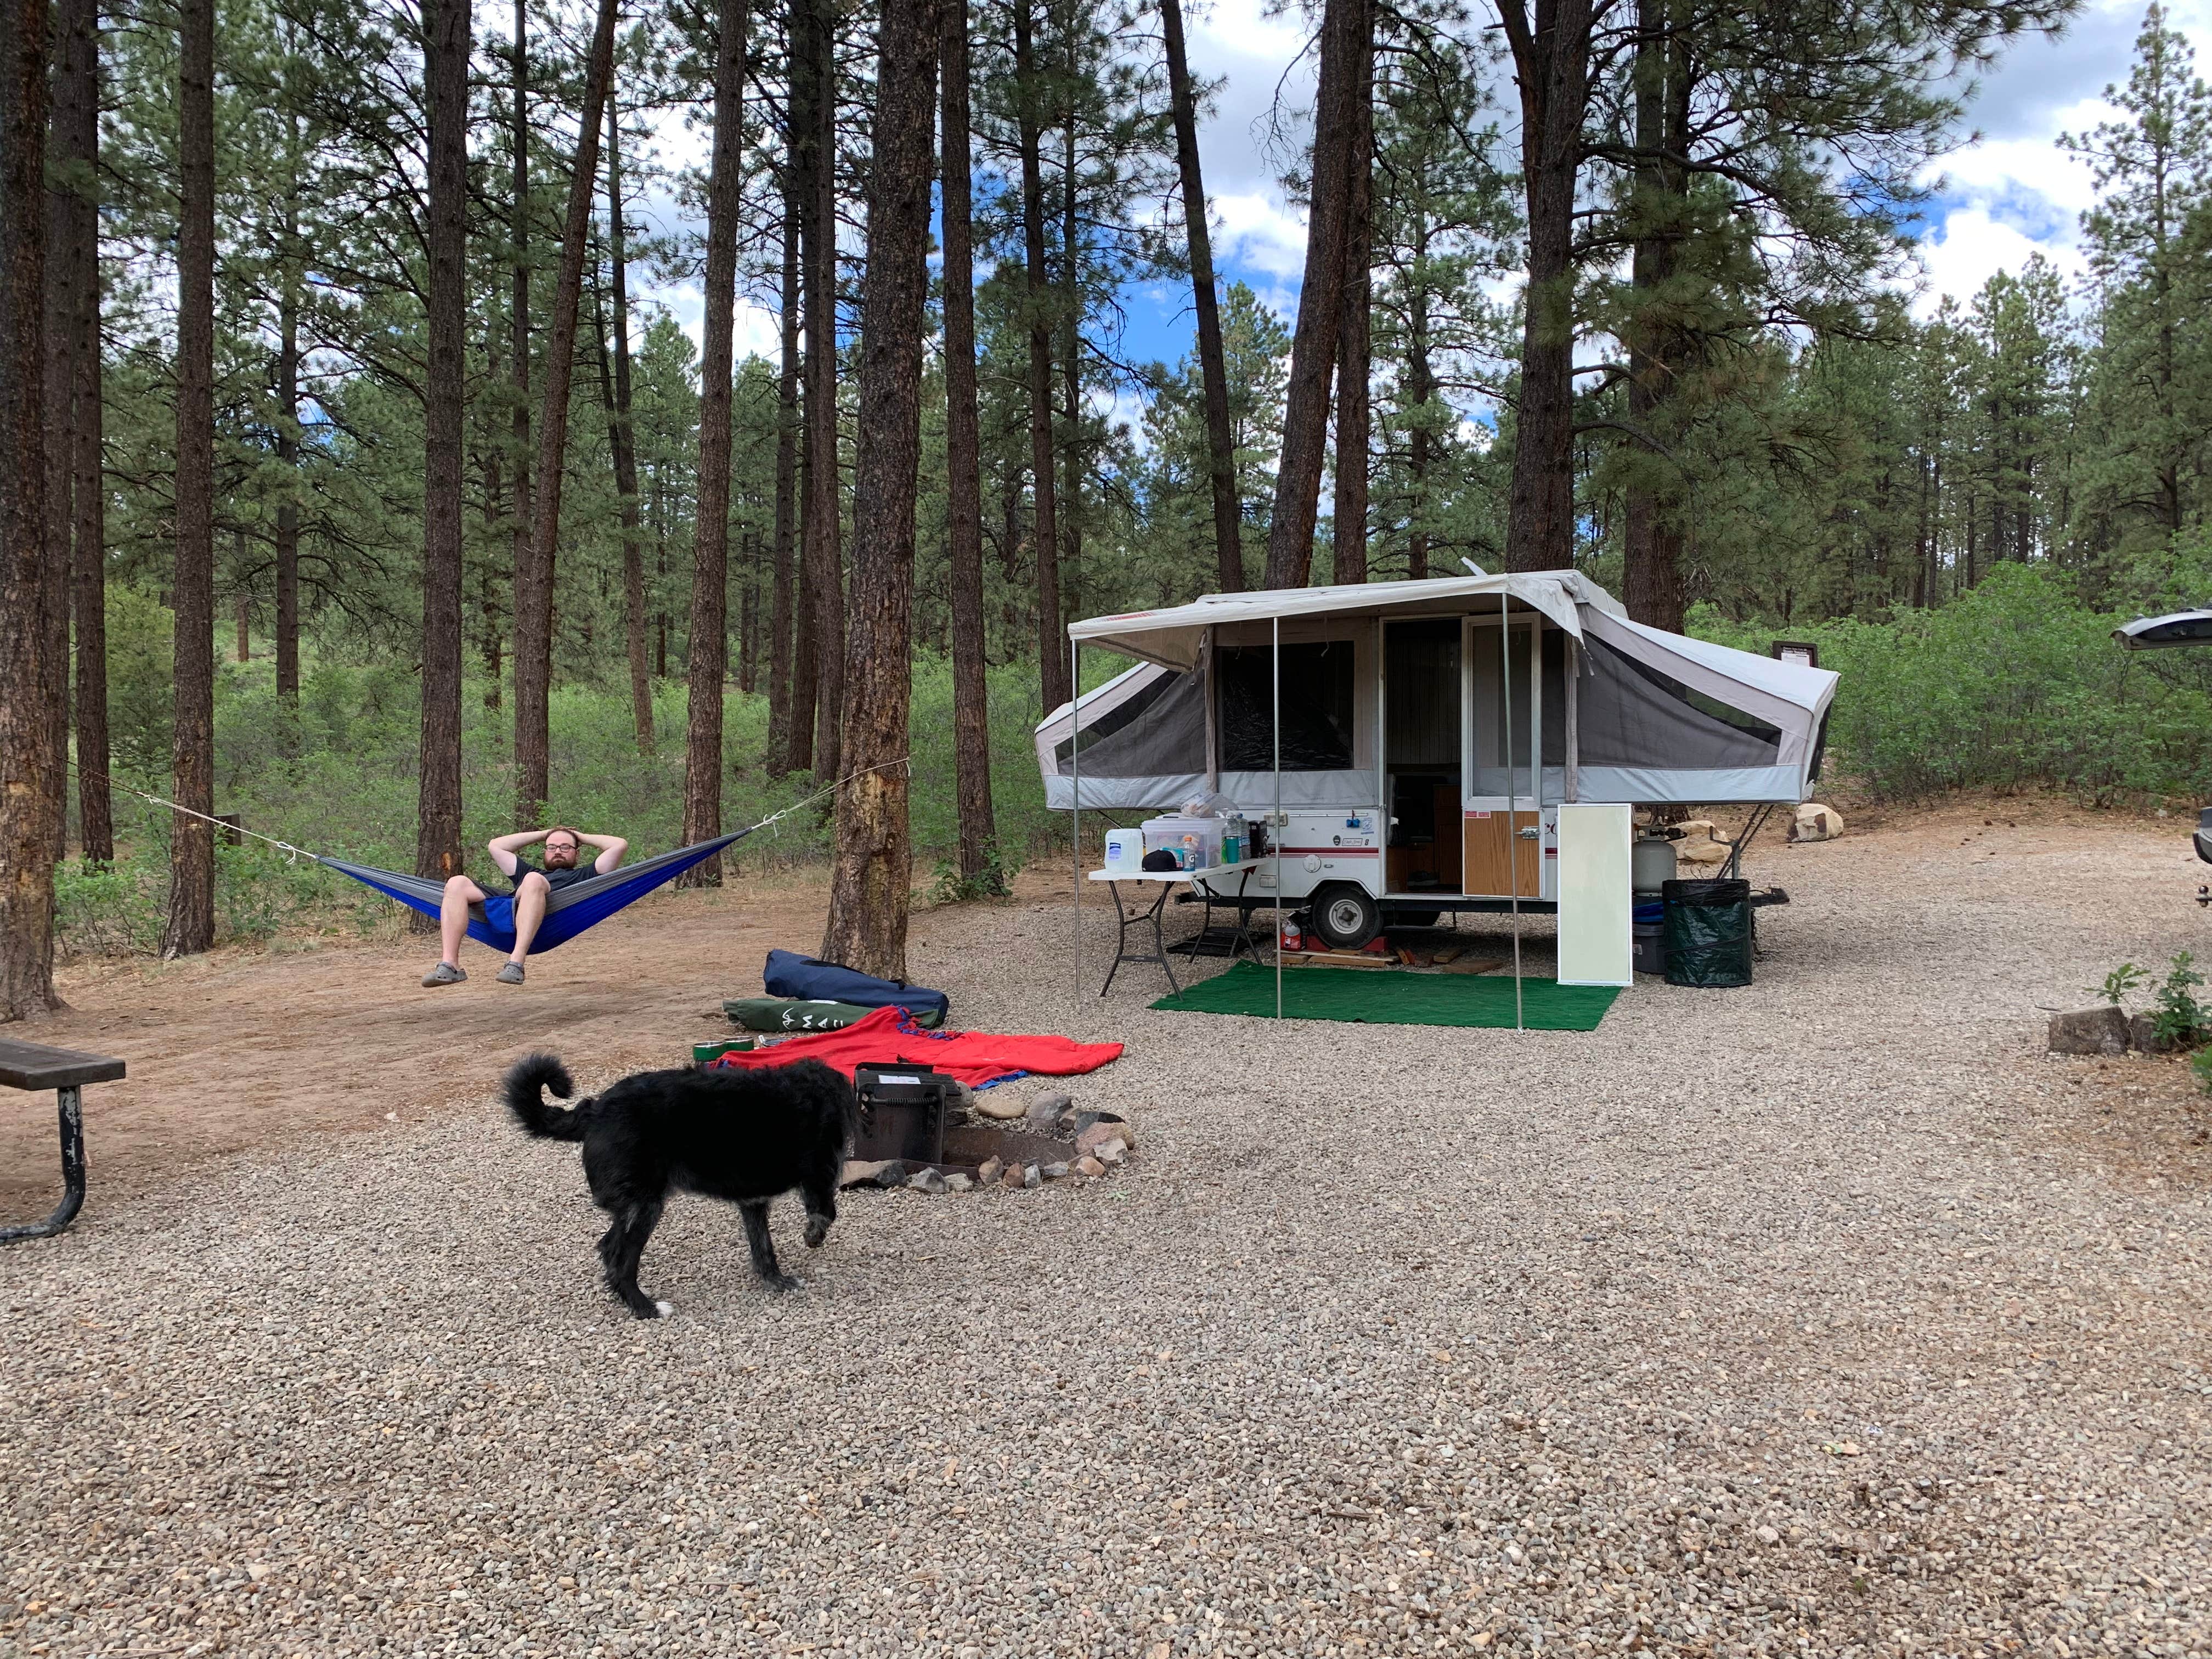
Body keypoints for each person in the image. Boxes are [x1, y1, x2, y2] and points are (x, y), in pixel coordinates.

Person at [420, 826, 628, 988]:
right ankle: (450, 965)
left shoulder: (586, 875)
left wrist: (578, 835)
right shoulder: (527, 871)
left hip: (549, 919)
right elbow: (496, 845)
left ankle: (516, 963)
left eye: (566, 848)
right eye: (551, 847)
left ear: (577, 853)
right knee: (456, 883)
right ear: (544, 851)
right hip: (511, 908)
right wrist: (546, 833)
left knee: (533, 880)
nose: (558, 851)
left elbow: (619, 845)